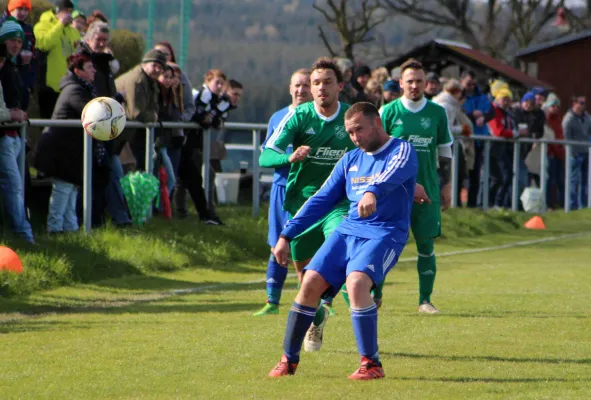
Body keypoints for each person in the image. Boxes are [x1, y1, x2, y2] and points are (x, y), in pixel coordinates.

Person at [268, 102, 418, 379]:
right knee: (309, 281)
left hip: (385, 232)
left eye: (359, 129)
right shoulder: (350, 160)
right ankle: (288, 361)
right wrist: (285, 235)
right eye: (350, 132)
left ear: (377, 124)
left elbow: (392, 173)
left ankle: (371, 365)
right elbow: (321, 199)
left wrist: (372, 191)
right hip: (348, 230)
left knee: (357, 282)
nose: (355, 137)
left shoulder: (401, 149)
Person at [259, 57, 356, 351]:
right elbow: (266, 156)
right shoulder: (299, 116)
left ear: (340, 86)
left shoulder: (352, 117)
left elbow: (377, 151)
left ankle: (357, 291)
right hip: (302, 205)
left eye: (328, 82)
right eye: (316, 83)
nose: (321, 88)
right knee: (306, 283)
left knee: (339, 241)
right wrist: (288, 157)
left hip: (338, 202)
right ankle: (318, 317)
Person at [379, 58, 453, 314]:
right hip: (392, 192)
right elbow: (374, 153)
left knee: (426, 244)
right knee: (383, 243)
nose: (414, 85)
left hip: (428, 189)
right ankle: (375, 295)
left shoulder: (437, 112)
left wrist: (447, 185)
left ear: (426, 84)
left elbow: (445, 151)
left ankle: (425, 300)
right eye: (409, 81)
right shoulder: (387, 112)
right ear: (401, 83)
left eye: (419, 81)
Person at [253, 68, 313, 317]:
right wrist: (289, 157)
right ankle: (272, 302)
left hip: (308, 191)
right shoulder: (278, 117)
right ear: (290, 89)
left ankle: (315, 302)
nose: (301, 90)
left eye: (306, 85)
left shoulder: (316, 119)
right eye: (297, 85)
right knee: (277, 244)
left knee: (308, 249)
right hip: (281, 188)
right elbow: (266, 155)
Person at [34, 54, 110, 233]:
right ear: (78, 71)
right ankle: (54, 229)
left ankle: (70, 230)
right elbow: (91, 112)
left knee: (71, 189)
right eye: (89, 67)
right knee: (63, 188)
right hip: (60, 151)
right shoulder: (74, 90)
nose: (94, 70)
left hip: (70, 151)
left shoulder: (84, 89)